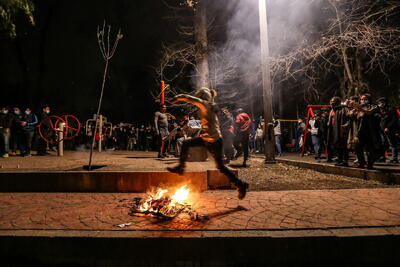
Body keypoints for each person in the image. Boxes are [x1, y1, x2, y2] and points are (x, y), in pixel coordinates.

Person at [167, 87, 249, 199]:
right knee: (220, 166)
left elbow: (188, 98)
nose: (197, 99)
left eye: (198, 97)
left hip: (214, 141)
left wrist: (177, 98)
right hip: (209, 139)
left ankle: (241, 185)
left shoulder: (205, 104)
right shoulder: (210, 105)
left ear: (201, 97)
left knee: (220, 166)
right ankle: (241, 185)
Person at [350, 94, 381, 169]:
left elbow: (370, 112)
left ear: (369, 99)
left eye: (365, 99)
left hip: (370, 131)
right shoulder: (359, 108)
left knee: (370, 149)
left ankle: (370, 163)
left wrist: (360, 108)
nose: (362, 101)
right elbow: (351, 114)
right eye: (361, 99)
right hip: (360, 131)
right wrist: (353, 109)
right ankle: (361, 162)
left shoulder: (374, 106)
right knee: (357, 147)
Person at [327, 97, 350, 167]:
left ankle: (345, 161)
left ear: (337, 102)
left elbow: (349, 118)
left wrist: (346, 125)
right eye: (331, 101)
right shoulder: (332, 110)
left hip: (341, 129)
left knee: (343, 146)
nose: (331, 103)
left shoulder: (344, 109)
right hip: (334, 130)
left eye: (333, 101)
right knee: (337, 145)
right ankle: (340, 160)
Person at [377, 97, 399, 164]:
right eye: (379, 102)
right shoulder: (380, 110)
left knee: (392, 143)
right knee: (383, 144)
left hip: (389, 130)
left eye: (381, 102)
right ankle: (382, 157)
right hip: (381, 129)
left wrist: (388, 127)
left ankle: (394, 158)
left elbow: (394, 119)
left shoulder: (391, 109)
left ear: (385, 102)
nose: (380, 104)